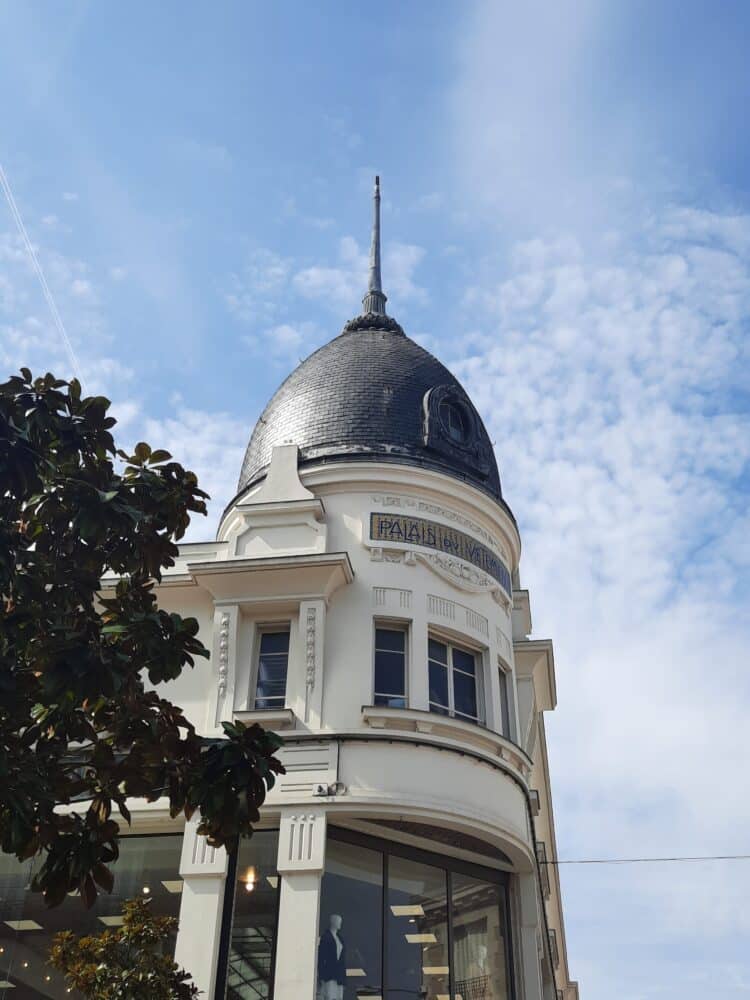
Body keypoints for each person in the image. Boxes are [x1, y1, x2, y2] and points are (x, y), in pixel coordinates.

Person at [318, 913, 346, 1000]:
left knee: (338, 997)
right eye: (338, 921)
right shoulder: (325, 937)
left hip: (339, 977)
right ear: (333, 922)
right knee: (329, 997)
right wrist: (321, 975)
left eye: (340, 921)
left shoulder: (340, 938)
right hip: (329, 976)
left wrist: (344, 979)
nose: (340, 923)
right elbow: (321, 957)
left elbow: (342, 960)